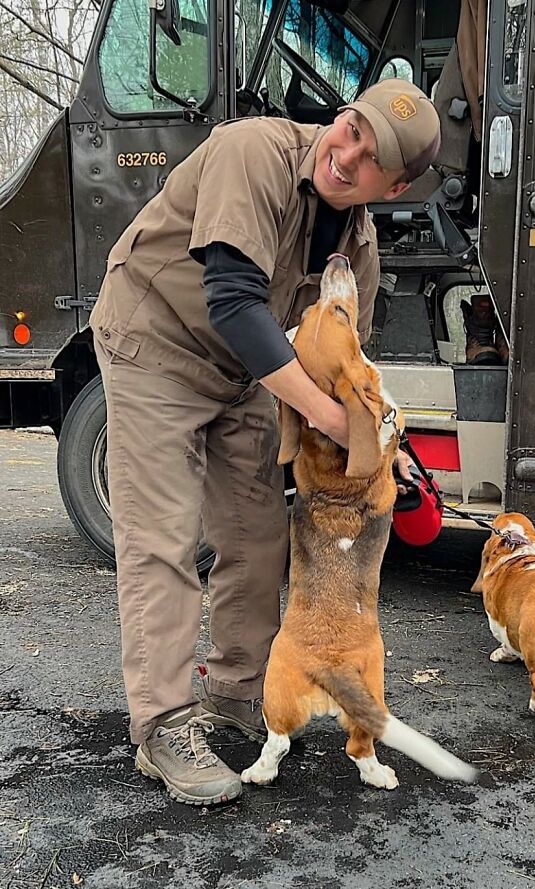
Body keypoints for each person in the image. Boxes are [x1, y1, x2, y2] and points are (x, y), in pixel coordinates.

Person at [89, 79, 441, 806]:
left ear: (395, 184)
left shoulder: (359, 245)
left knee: (256, 534)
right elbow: (234, 301)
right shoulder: (254, 150)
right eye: (349, 128)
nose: (344, 155)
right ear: (340, 116)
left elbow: (346, 363)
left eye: (369, 158)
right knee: (162, 539)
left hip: (242, 369)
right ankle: (163, 724)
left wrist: (387, 446)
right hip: (154, 341)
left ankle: (239, 693)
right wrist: (335, 423)